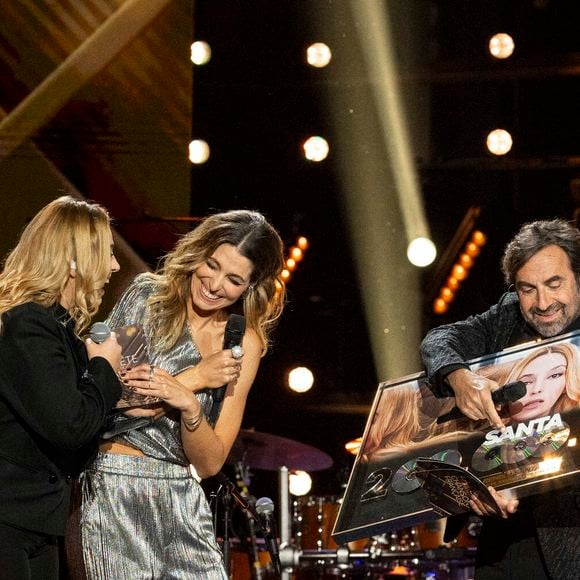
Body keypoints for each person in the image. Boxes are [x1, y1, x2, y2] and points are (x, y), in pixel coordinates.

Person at [78, 209, 286, 579]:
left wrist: (190, 407)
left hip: (183, 497)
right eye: (211, 264)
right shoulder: (149, 299)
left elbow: (209, 463)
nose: (214, 283)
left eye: (234, 279)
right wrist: (195, 378)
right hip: (117, 484)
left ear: (250, 288)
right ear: (198, 253)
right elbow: (111, 398)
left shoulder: (242, 344)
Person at [420, 218, 580, 579]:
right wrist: (459, 378)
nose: (542, 302)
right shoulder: (508, 315)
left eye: (555, 284)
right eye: (527, 288)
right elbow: (439, 340)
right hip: (508, 542)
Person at [0, 196, 122, 579]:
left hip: (38, 521)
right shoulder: (28, 326)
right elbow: (70, 425)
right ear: (74, 261)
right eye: (107, 253)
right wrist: (105, 367)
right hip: (9, 519)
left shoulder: (60, 333)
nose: (115, 266)